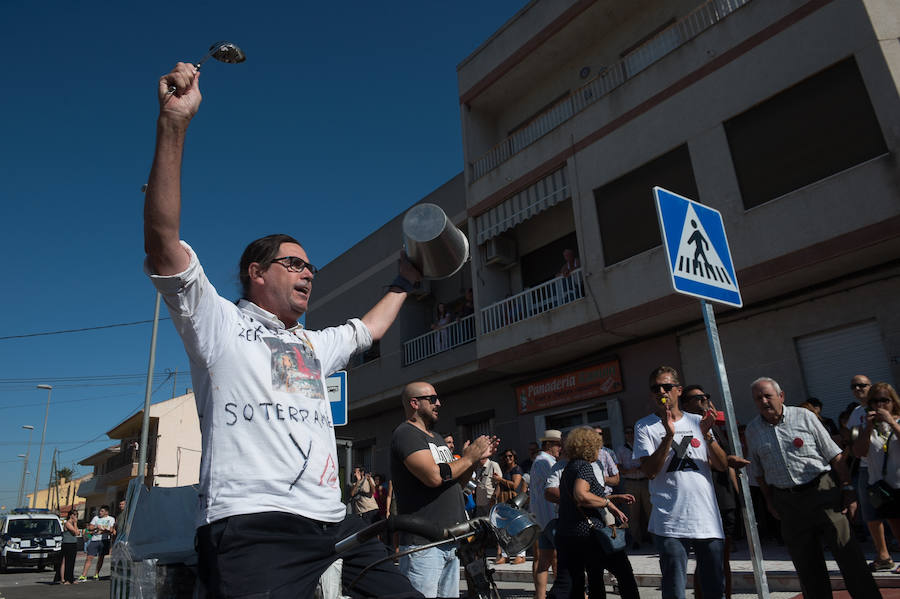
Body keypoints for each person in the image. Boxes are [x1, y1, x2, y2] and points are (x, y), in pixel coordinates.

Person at [144, 62, 423, 599]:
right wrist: (173, 125)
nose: (308, 273)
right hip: (251, 526)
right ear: (256, 272)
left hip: (334, 522)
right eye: (293, 264)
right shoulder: (219, 322)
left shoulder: (313, 346)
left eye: (310, 267)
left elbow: (369, 328)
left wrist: (405, 280)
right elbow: (162, 243)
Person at [745, 376, 880, 598]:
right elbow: (758, 474)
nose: (764, 401)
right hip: (787, 502)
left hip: (822, 492)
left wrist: (847, 488)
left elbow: (834, 455)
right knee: (807, 566)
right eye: (758, 398)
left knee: (849, 555)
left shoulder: (804, 417)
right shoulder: (752, 430)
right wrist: (770, 501)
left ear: (781, 396)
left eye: (768, 396)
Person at [390, 380, 499, 599]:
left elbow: (455, 484)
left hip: (449, 540)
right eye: (432, 399)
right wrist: (468, 457)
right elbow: (433, 476)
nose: (438, 403)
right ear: (414, 403)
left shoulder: (437, 438)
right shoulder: (406, 434)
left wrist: (473, 461)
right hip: (423, 545)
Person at [633, 366, 730, 599]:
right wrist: (668, 435)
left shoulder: (698, 421)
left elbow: (721, 464)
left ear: (678, 390)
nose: (661, 391)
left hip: (705, 517)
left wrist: (707, 435)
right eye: (655, 388)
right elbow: (649, 471)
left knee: (714, 587)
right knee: (675, 589)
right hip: (669, 519)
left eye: (666, 387)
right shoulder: (644, 426)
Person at [552, 427, 640, 599]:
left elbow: (587, 496)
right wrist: (607, 502)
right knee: (624, 572)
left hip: (568, 533)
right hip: (590, 534)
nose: (600, 451)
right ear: (589, 447)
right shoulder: (584, 466)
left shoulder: (570, 467)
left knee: (585, 580)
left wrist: (613, 501)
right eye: (598, 447)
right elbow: (581, 495)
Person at [681, 385, 739, 599]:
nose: (705, 400)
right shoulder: (683, 428)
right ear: (685, 403)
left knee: (723, 558)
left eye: (706, 396)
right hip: (703, 499)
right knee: (707, 559)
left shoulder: (714, 426)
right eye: (698, 398)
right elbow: (682, 458)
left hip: (723, 497)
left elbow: (724, 460)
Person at [846, 374, 893, 571]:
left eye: (862, 385)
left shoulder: (892, 409)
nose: (858, 389)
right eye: (854, 386)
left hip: (893, 466)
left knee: (895, 512)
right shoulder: (857, 413)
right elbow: (852, 440)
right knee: (871, 511)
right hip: (867, 466)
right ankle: (883, 555)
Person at [530, 430, 562, 599]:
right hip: (550, 516)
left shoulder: (542, 460)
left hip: (543, 518)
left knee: (545, 559)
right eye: (557, 444)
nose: (560, 447)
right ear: (549, 445)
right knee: (556, 558)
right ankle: (561, 593)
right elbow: (554, 488)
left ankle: (540, 596)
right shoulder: (545, 461)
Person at [615, 426, 651, 550]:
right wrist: (627, 471)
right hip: (630, 482)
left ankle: (653, 536)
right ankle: (636, 540)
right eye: (627, 433)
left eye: (632, 432)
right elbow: (617, 467)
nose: (630, 435)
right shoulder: (621, 449)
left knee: (649, 510)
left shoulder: (641, 446)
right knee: (633, 512)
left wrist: (643, 467)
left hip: (645, 481)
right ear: (625, 435)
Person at [494, 449, 527, 564]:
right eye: (506, 456)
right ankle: (505, 555)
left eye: (510, 456)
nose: (508, 458)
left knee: (516, 528)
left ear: (514, 457)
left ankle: (521, 555)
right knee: (503, 529)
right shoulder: (503, 469)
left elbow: (515, 485)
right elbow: (499, 485)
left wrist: (500, 479)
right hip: (503, 499)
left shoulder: (516, 469)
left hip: (513, 499)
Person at [79, 505, 115, 581]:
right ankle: (84, 575)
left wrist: (103, 530)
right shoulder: (96, 518)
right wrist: (96, 527)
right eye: (100, 511)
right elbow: (90, 527)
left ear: (106, 512)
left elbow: (111, 529)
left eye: (102, 511)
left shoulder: (111, 519)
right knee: (89, 557)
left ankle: (96, 574)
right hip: (94, 539)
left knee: (101, 557)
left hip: (104, 540)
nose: (100, 512)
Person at [593, 427, 620, 495]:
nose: (597, 435)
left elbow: (616, 476)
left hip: (608, 491)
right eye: (595, 433)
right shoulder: (585, 453)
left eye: (600, 433)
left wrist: (602, 478)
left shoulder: (608, 452)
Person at [56, 512, 79, 585]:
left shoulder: (73, 524)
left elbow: (78, 533)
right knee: (67, 562)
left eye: (77, 515)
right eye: (74, 515)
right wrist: (75, 523)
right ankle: (65, 579)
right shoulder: (67, 523)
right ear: (71, 515)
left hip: (73, 543)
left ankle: (71, 578)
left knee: (72, 562)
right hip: (67, 544)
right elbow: (75, 532)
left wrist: (75, 524)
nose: (76, 516)